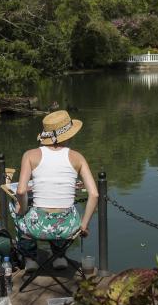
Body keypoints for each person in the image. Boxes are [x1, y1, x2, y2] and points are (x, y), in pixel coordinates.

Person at [12, 110, 98, 271]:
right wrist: (84, 226)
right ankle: (59, 257)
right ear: (69, 135)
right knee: (61, 213)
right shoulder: (77, 157)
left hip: (38, 227)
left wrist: (22, 210)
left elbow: (21, 191)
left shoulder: (30, 155)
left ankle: (30, 259)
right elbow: (94, 194)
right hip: (69, 227)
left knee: (15, 210)